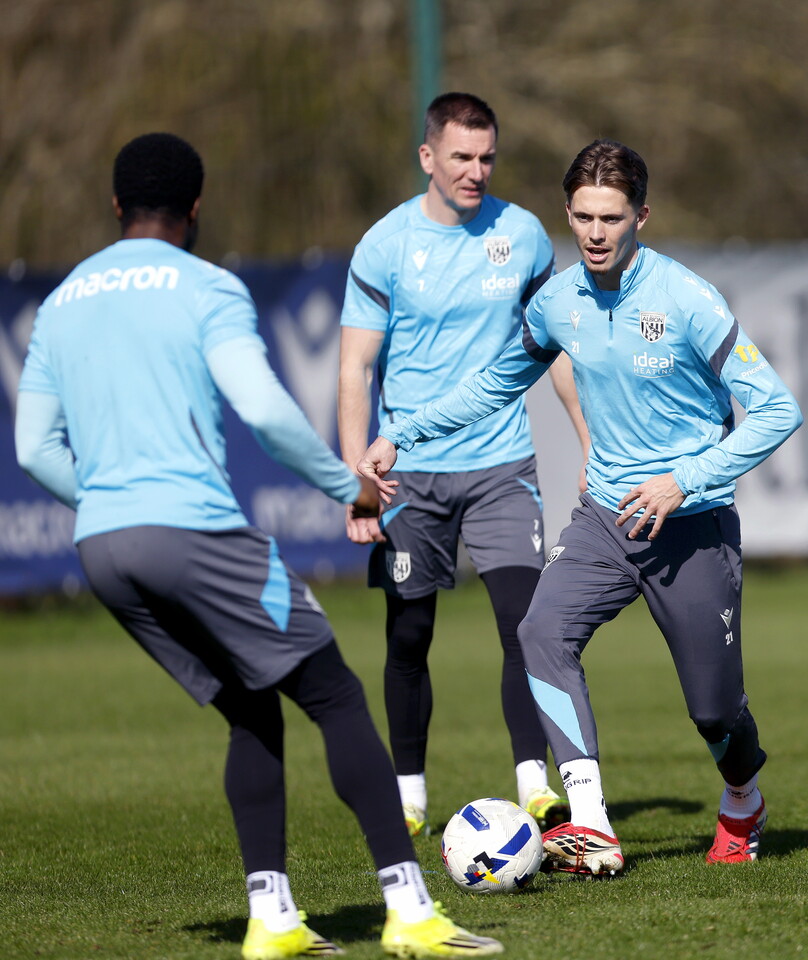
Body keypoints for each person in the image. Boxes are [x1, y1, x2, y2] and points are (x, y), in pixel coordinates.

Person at [14, 133, 501, 959]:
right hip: (193, 533)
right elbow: (269, 414)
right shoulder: (207, 287)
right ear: (197, 208)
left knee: (250, 705)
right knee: (336, 696)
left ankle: (272, 920)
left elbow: (32, 448)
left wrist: (101, 502)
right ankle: (410, 911)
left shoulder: (62, 300)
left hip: (101, 547)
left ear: (114, 206)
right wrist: (346, 484)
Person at [356, 139, 803, 874]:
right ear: (567, 213)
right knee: (539, 632)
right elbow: (494, 383)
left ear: (642, 217)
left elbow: (777, 411)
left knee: (714, 712)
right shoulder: (557, 301)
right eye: (584, 217)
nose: (596, 233)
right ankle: (591, 823)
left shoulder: (686, 299)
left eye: (612, 218)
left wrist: (684, 480)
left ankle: (743, 798)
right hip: (603, 519)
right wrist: (400, 433)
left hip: (690, 528)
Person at [338, 92, 588, 838]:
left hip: (502, 464)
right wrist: (358, 486)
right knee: (409, 633)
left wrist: (586, 442)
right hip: (407, 475)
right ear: (428, 158)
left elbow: (556, 351)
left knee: (526, 624)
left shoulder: (524, 236)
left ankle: (533, 786)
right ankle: (409, 794)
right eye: (461, 157)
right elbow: (354, 368)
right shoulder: (384, 246)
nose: (476, 171)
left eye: (487, 158)